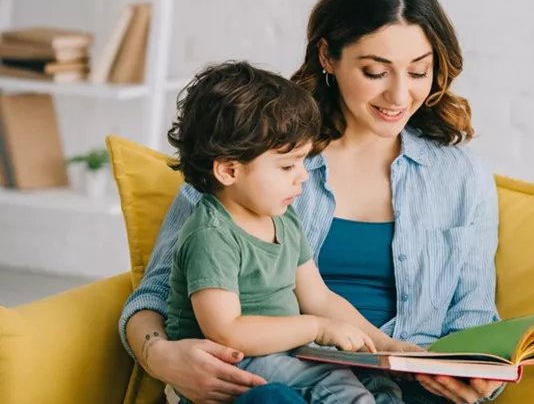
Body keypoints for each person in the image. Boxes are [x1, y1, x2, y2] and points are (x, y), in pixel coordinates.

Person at [119, 0, 504, 403]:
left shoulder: (460, 177)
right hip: (275, 374)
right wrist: (162, 357)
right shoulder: (252, 151)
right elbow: (154, 295)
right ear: (328, 56)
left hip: (406, 383)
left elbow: (473, 314)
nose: (399, 95)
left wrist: (481, 372)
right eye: (375, 72)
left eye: (418, 72)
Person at [163, 60, 421, 404]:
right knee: (319, 393)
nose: (302, 176)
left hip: (283, 357)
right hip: (233, 365)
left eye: (302, 161)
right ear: (228, 170)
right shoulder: (211, 235)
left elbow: (319, 297)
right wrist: (317, 328)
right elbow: (228, 331)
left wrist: (379, 345)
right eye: (287, 166)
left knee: (376, 386)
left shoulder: (284, 220)